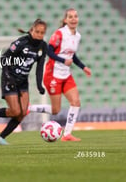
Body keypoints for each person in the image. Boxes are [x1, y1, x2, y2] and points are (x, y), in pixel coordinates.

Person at [0, 19, 48, 145]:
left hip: (23, 81)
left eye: (42, 33)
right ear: (32, 30)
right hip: (9, 77)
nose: (39, 35)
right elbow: (4, 58)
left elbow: (39, 67)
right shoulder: (21, 42)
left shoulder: (43, 46)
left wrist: (39, 85)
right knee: (15, 111)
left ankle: (1, 138)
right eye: (37, 31)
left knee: (23, 112)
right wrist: (8, 77)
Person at [28, 8, 92, 141]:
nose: (73, 19)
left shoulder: (77, 36)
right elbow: (49, 51)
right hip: (53, 75)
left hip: (66, 75)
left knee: (76, 102)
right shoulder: (59, 34)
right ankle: (29, 108)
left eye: (75, 16)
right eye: (70, 17)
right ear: (65, 20)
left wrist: (83, 67)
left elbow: (72, 55)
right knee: (56, 109)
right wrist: (63, 60)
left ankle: (67, 134)